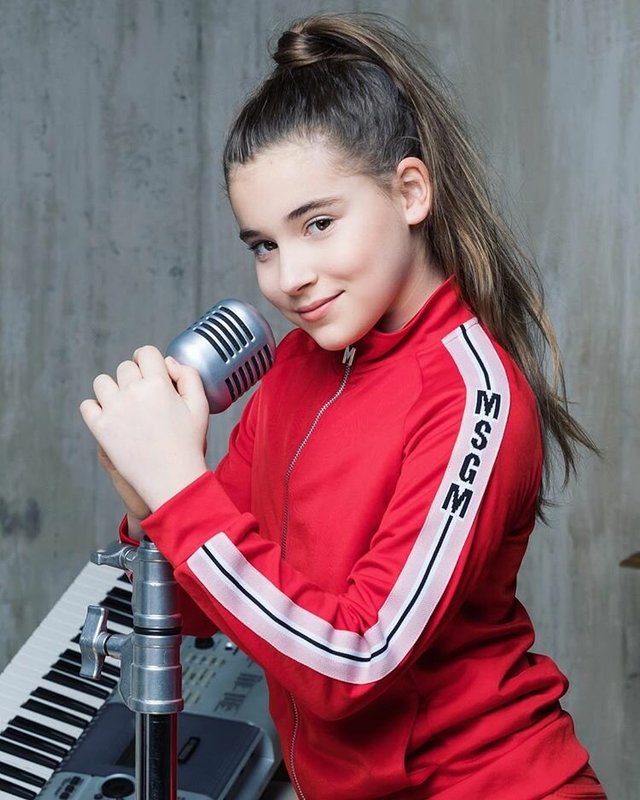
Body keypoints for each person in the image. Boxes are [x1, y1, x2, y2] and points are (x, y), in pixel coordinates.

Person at [80, 13, 606, 800]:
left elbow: (356, 662)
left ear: (410, 191)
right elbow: (210, 608)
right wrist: (149, 497)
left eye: (318, 224)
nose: (289, 276)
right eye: (264, 245)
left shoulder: (472, 394)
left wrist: (183, 493)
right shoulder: (294, 371)